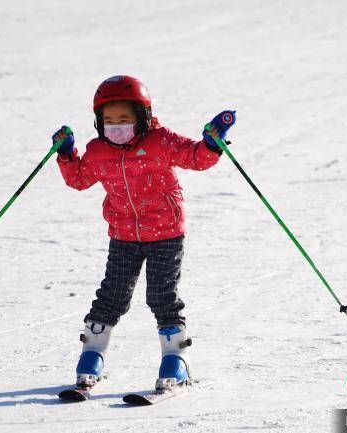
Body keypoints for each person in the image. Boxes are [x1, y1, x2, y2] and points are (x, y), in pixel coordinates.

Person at [52, 75, 235, 391]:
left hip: (165, 233)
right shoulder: (97, 150)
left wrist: (210, 144)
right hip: (123, 234)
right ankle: (92, 353)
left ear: (142, 117)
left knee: (161, 295)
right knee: (113, 294)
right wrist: (67, 154)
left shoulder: (160, 141)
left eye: (124, 119)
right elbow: (79, 180)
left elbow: (194, 157)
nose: (116, 126)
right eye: (109, 120)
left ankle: (175, 358)